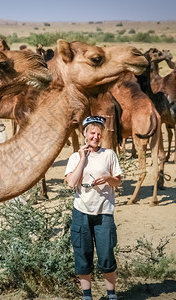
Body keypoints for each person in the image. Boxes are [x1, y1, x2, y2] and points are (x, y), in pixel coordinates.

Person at [64, 116, 123, 300]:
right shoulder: (75, 157)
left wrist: (107, 178)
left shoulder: (109, 155)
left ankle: (111, 295)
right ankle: (87, 296)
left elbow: (118, 182)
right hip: (81, 212)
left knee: (106, 254)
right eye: (92, 133)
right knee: (83, 254)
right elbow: (72, 183)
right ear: (85, 134)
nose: (96, 137)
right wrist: (83, 158)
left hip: (104, 212)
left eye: (99, 133)